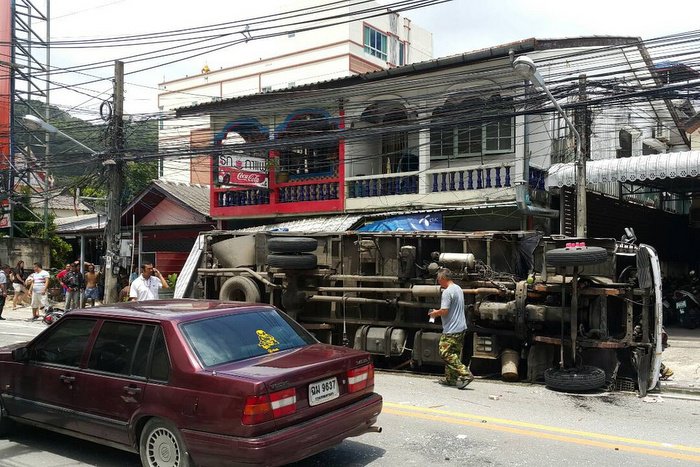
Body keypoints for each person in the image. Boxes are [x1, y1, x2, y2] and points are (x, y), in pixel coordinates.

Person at [428, 268, 474, 389]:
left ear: (443, 278)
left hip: (451, 329)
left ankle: (465, 373)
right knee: (454, 353)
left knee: (445, 353)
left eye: (438, 280)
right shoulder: (458, 288)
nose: (438, 282)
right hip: (461, 327)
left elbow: (444, 311)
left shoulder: (447, 292)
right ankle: (451, 379)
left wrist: (434, 313)